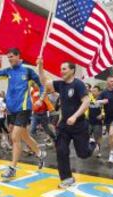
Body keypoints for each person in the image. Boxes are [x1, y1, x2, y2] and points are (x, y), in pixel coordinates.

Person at [0, 48, 47, 180]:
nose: (9, 59)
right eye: (8, 57)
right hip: (12, 110)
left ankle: (12, 168)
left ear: (18, 56)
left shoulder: (28, 71)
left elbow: (42, 84)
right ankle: (40, 154)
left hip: (24, 108)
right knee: (25, 136)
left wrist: (40, 99)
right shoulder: (8, 71)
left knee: (15, 137)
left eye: (11, 56)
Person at [38, 58, 96, 188]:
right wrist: (41, 66)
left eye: (64, 69)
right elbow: (44, 82)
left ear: (72, 70)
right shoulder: (60, 84)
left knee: (83, 154)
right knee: (61, 150)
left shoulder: (78, 84)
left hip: (79, 125)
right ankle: (67, 178)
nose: (61, 71)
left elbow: (86, 101)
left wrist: (75, 116)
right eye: (61, 69)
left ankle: (92, 144)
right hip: (64, 125)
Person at [88, 85, 104, 158]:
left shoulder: (102, 99)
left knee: (98, 137)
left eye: (95, 91)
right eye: (92, 91)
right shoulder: (89, 98)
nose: (93, 92)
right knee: (86, 135)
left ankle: (99, 151)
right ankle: (90, 148)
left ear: (99, 92)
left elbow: (105, 109)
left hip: (98, 121)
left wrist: (102, 114)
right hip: (88, 120)